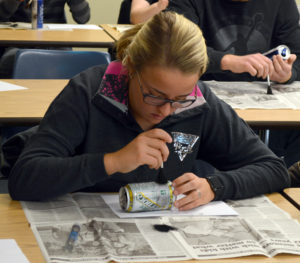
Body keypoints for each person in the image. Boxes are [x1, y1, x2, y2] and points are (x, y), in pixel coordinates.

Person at [7, 12, 289, 210]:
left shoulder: (199, 101)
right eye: (154, 95)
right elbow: (25, 179)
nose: (167, 111)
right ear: (129, 67)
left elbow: (273, 169)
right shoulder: (88, 92)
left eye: (180, 98)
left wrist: (215, 186)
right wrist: (113, 162)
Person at [167, 0, 300, 168]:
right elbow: (174, 49)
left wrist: (287, 74)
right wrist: (226, 61)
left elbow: (296, 55)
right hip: (202, 102)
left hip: (267, 105)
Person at [0, 0, 90, 78]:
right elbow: (1, 16)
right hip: (18, 43)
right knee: (10, 61)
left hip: (56, 43)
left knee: (68, 62)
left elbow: (83, 19)